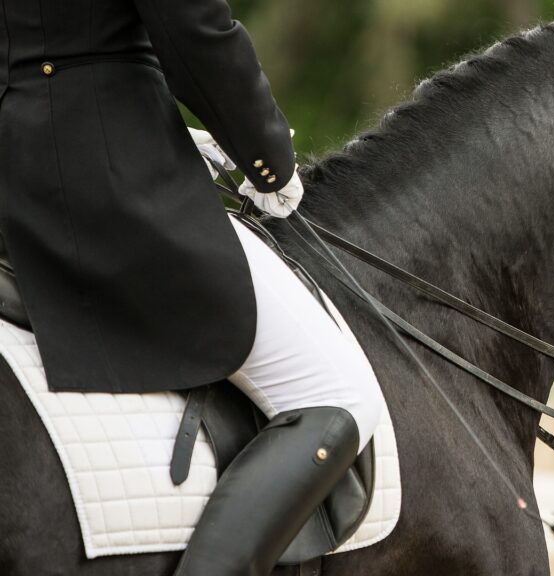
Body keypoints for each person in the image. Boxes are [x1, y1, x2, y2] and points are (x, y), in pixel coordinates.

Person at [0, 1, 383, 574]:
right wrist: (269, 163)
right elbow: (194, 31)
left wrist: (160, 128)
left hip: (20, 167)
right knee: (339, 393)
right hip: (99, 186)